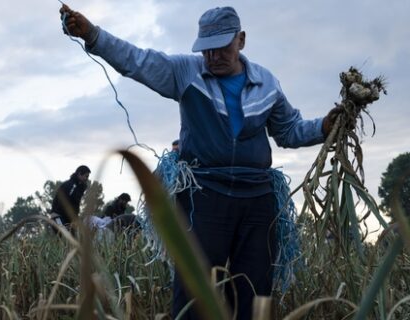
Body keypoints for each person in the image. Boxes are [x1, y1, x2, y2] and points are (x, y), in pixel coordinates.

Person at [59, 5, 341, 319]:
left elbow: (289, 130)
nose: (213, 56)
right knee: (195, 289)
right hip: (204, 196)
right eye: (206, 49)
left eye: (221, 48)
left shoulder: (266, 83)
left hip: (257, 199)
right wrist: (92, 34)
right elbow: (135, 60)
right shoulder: (186, 73)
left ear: (241, 41)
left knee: (255, 288)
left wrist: (324, 127)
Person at [50, 165, 91, 231]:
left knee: (74, 237)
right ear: (79, 174)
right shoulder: (70, 185)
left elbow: (76, 204)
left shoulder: (80, 187)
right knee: (63, 233)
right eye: (86, 176)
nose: (87, 178)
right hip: (58, 215)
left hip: (69, 218)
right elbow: (63, 202)